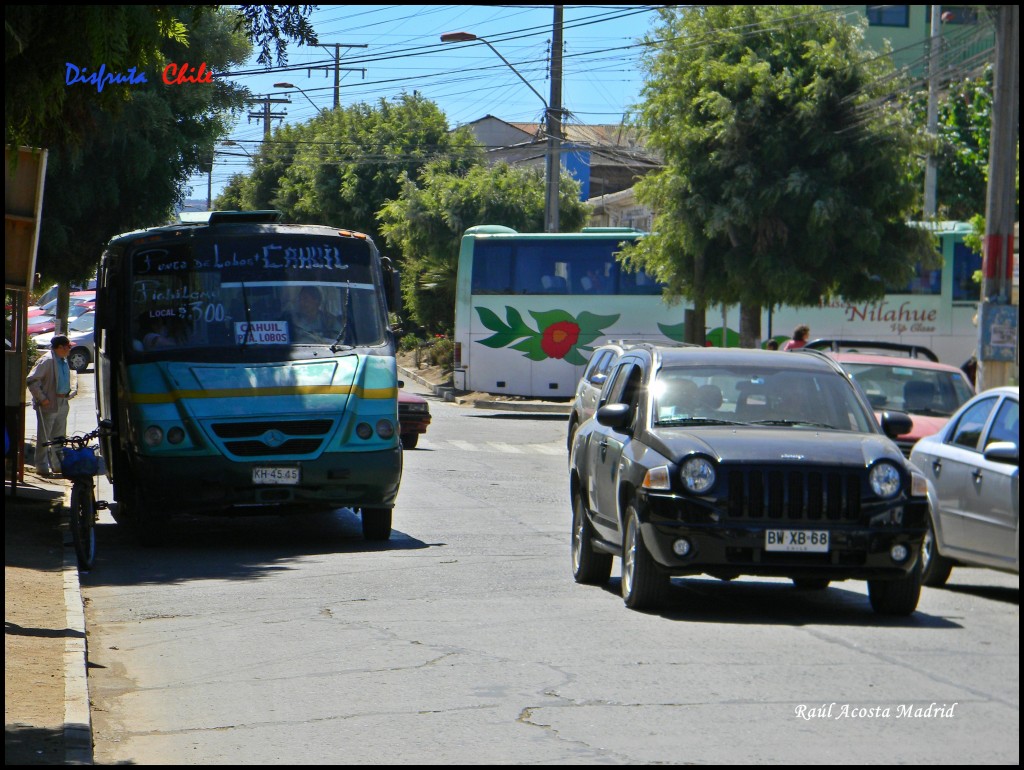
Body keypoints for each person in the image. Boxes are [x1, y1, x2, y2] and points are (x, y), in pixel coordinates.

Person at [26, 335, 77, 477]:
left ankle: (57, 465)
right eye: (68, 346)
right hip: (49, 402)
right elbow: (32, 380)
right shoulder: (47, 360)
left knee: (59, 436)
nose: (69, 349)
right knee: (44, 436)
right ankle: (41, 466)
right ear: (60, 347)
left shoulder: (62, 360)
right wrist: (42, 399)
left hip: (62, 401)